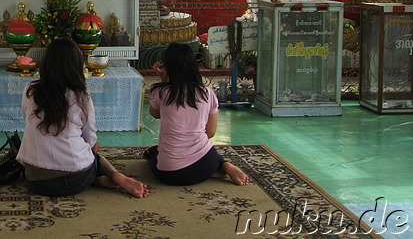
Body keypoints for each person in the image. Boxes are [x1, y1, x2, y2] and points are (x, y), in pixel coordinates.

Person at [17, 38, 150, 198]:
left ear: (46, 63)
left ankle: (100, 180)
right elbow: (90, 141)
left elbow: (28, 118)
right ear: (77, 66)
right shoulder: (81, 98)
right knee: (93, 154)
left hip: (36, 180)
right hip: (75, 179)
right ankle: (114, 177)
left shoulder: (30, 91)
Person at [145, 42, 249, 187]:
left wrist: (164, 80)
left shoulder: (160, 91)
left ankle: (217, 167)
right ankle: (223, 165)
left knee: (151, 153)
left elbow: (155, 114)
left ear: (167, 67)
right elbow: (210, 133)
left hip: (169, 174)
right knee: (203, 145)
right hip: (206, 165)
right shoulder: (207, 93)